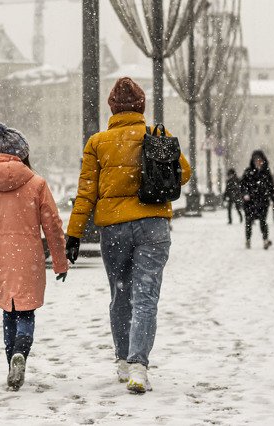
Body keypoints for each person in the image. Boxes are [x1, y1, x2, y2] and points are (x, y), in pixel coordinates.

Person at [64, 77, 191, 394]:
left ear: (112, 108)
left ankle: (122, 361)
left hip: (115, 228)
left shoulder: (98, 142)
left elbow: (86, 194)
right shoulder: (155, 136)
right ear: (141, 107)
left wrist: (74, 234)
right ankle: (138, 366)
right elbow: (184, 173)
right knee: (146, 297)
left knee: (121, 294)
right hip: (153, 225)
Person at [0, 122, 68, 392]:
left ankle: (11, 357)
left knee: (7, 313)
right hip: (28, 256)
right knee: (26, 311)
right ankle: (21, 352)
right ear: (23, 153)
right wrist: (60, 262)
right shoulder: (37, 183)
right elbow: (53, 227)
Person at [241, 150, 274, 249]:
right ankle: (248, 240)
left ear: (263, 161)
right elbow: (243, 186)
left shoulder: (266, 173)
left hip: (262, 201)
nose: (258, 162)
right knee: (248, 222)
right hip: (250, 202)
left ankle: (265, 240)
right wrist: (245, 194)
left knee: (263, 221)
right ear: (253, 161)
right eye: (256, 160)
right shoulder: (248, 172)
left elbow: (271, 187)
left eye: (260, 160)